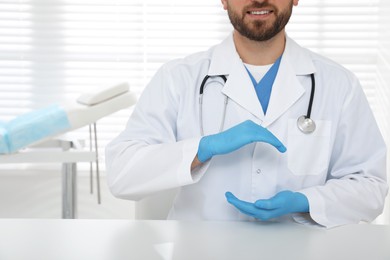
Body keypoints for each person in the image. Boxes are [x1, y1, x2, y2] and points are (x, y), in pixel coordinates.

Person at [105, 0, 388, 228]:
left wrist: (307, 200)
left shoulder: (339, 84)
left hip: (301, 250)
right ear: (223, 1)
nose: (259, 0)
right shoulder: (178, 79)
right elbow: (121, 174)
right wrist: (202, 148)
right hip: (200, 251)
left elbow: (371, 186)